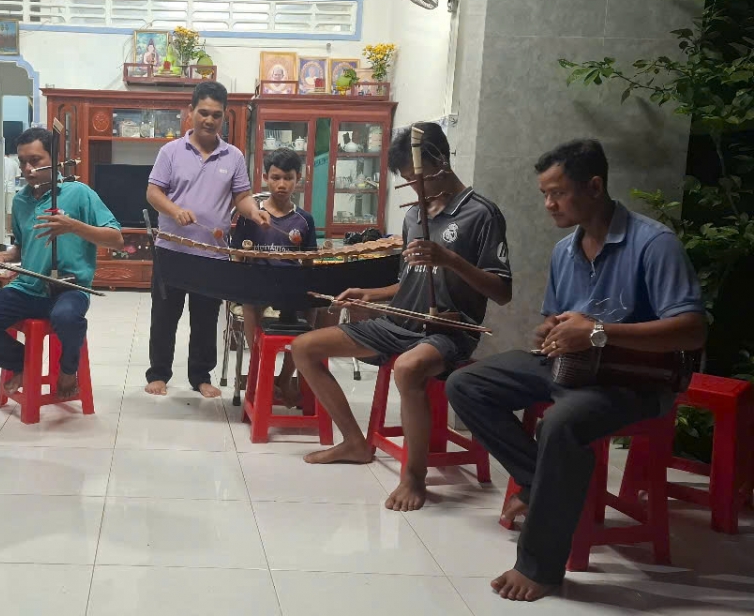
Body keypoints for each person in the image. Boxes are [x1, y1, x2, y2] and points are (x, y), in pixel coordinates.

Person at [445, 139, 706, 602]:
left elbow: (692, 331)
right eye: (544, 194)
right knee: (467, 383)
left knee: (560, 424)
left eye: (558, 193)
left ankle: (540, 567)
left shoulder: (653, 243)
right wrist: (550, 329)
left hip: (632, 381)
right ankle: (541, 482)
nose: (549, 204)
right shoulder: (565, 250)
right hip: (571, 368)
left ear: (595, 187)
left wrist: (598, 332)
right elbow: (560, 317)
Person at [290, 122, 513, 511]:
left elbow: (502, 291)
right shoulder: (415, 217)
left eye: (419, 179)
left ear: (441, 161)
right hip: (397, 322)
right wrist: (371, 294)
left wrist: (450, 259)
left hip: (447, 331)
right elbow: (411, 280)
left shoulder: (481, 213)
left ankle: (414, 477)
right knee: (304, 347)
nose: (416, 189)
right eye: (409, 181)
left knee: (408, 369)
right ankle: (355, 443)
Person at [0, 127, 124, 398]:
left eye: (35, 160)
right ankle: (21, 364)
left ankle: (68, 371)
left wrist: (73, 226)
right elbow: (22, 247)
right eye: (22, 162)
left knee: (66, 317)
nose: (28, 169)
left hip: (69, 288)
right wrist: (4, 256)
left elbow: (116, 239)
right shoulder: (21, 200)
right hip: (27, 287)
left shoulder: (78, 193)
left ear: (54, 159)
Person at [145, 80, 272, 398]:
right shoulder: (171, 151)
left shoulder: (233, 156)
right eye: (203, 112)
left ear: (224, 116)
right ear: (190, 112)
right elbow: (153, 192)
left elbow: (242, 197)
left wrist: (255, 212)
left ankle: (200, 377)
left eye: (216, 115)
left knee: (205, 319)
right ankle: (158, 374)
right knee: (164, 316)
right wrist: (175, 211)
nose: (209, 120)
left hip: (212, 253)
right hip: (171, 250)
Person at [231, 148, 318, 405]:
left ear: (298, 179)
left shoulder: (305, 220)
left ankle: (286, 377)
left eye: (288, 178)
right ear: (265, 177)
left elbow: (309, 263)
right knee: (250, 302)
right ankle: (262, 372)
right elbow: (238, 256)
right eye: (276, 177)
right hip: (259, 282)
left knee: (313, 305)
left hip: (291, 285)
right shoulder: (251, 216)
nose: (282, 184)